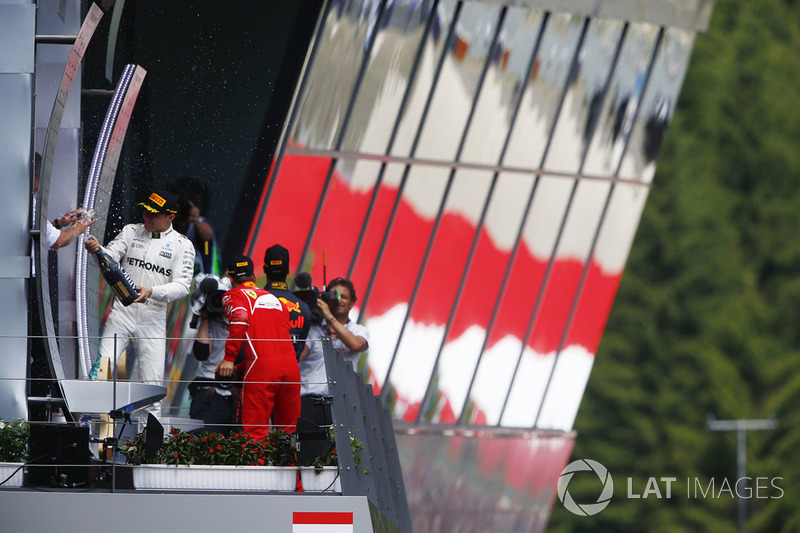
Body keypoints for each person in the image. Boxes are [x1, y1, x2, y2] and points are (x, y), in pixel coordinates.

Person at [84, 189, 195, 421]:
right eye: (145, 211)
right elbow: (109, 258)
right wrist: (97, 250)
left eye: (153, 214)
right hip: (121, 313)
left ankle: (150, 453)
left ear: (170, 218)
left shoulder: (182, 245)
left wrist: (152, 292)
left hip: (153, 318)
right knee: (101, 373)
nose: (146, 216)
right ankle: (84, 435)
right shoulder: (130, 231)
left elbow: (183, 286)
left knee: (152, 389)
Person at [215, 255, 300, 439]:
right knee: (290, 436)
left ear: (230, 279)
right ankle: (294, 467)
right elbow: (272, 348)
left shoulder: (233, 294)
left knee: (255, 435)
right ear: (253, 276)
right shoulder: (275, 299)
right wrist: (240, 367)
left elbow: (240, 318)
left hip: (262, 370)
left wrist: (229, 359)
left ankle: (257, 468)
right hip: (292, 369)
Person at [298, 277, 369, 427]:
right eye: (335, 296)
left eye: (344, 297)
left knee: (341, 449)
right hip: (309, 401)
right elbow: (298, 356)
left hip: (342, 402)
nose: (339, 301)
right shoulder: (313, 328)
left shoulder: (357, 330)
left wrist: (328, 317)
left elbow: (356, 345)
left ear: (352, 303)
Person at [187, 273, 236, 434]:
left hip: (233, 394)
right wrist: (205, 317)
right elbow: (201, 354)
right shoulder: (209, 317)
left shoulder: (240, 319)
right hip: (209, 391)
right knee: (204, 447)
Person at [263, 244, 311, 360]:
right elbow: (298, 353)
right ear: (288, 271)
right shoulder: (304, 308)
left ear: (264, 269)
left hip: (257, 371)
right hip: (288, 373)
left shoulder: (253, 302)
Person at [169, 177, 222, 275]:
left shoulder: (198, 223)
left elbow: (207, 236)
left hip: (207, 279)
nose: (178, 209)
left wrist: (195, 219)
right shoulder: (171, 225)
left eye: (180, 205)